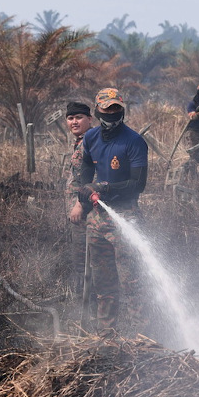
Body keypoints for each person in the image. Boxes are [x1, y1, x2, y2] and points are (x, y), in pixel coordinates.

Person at [68, 88, 148, 332]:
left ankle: (141, 337)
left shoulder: (133, 141)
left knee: (131, 282)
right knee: (103, 285)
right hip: (96, 220)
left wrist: (104, 187)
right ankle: (106, 336)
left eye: (116, 108)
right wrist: (83, 192)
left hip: (125, 217)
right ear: (97, 110)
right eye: (106, 108)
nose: (111, 112)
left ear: (122, 109)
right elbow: (83, 169)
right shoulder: (91, 138)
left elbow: (138, 184)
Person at [65, 101, 94, 295]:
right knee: (80, 260)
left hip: (86, 213)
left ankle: (89, 310)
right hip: (78, 216)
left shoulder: (92, 141)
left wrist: (80, 204)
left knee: (86, 262)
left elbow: (94, 176)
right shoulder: (80, 141)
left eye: (79, 117)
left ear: (89, 119)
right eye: (70, 118)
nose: (74, 122)